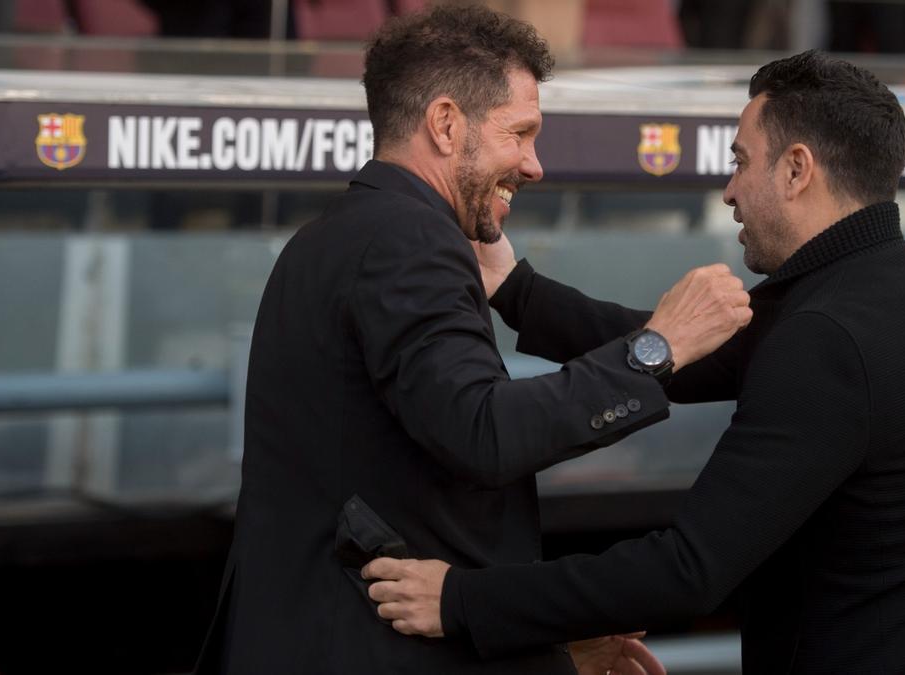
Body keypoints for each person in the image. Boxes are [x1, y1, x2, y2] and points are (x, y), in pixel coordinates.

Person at [363, 50, 905, 673]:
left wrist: (462, 601)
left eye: (741, 162)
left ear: (796, 170)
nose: (729, 189)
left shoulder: (828, 338)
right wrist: (518, 290)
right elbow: (692, 349)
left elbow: (688, 569)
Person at [194, 5, 752, 674]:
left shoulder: (336, 235)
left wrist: (545, 649)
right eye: (520, 133)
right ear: (446, 123)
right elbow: (483, 431)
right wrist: (656, 348)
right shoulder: (408, 239)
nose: (534, 165)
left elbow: (409, 495)